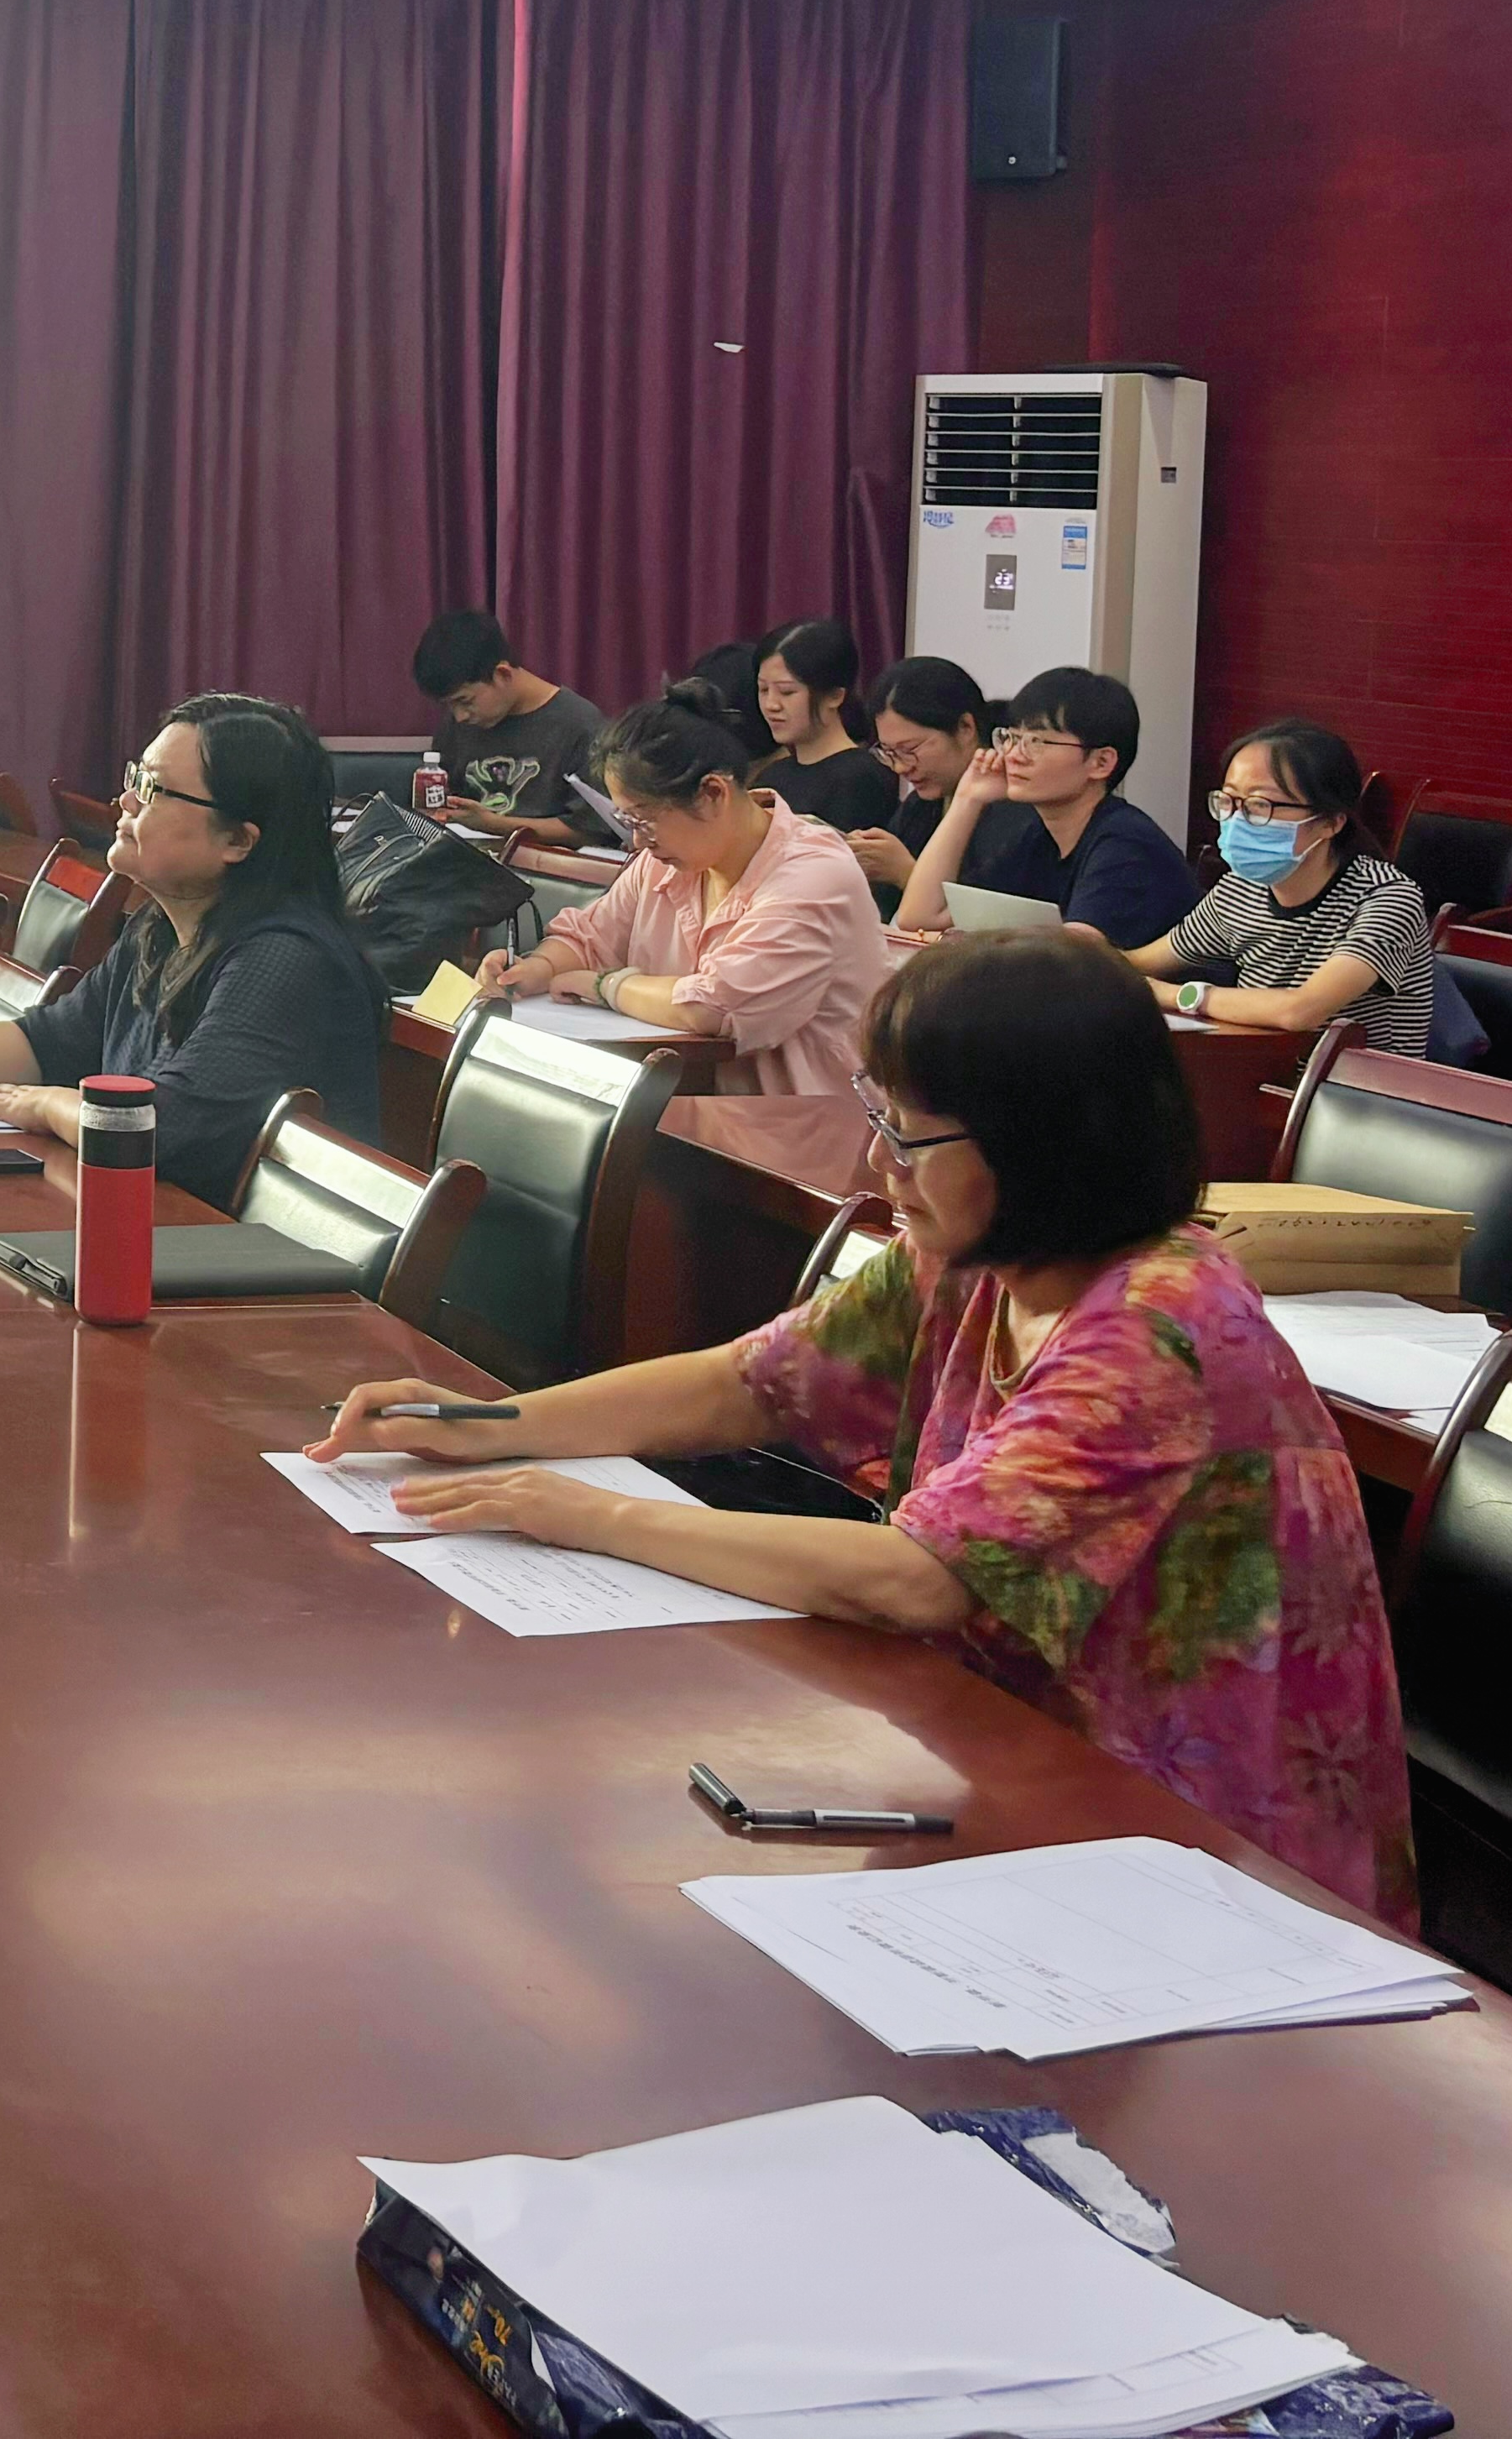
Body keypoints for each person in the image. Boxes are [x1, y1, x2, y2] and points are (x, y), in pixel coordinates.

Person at [318, 932, 1415, 1918]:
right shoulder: (974, 1251)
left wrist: (591, 1515)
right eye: (878, 1115)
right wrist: (487, 1422)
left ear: (1044, 1142)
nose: (882, 1160)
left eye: (912, 1133)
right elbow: (753, 1381)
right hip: (1008, 1754)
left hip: (1207, 1854)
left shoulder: (1158, 1327)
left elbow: (918, 1580)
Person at [0, 692, 376, 1195]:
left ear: (237, 839)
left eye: (153, 790)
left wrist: (49, 1105)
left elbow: (163, 1128)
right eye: (135, 777)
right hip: (158, 1220)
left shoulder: (286, 958)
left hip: (246, 1258)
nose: (126, 800)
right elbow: (49, 1041)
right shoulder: (159, 928)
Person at [475, 682, 894, 1097]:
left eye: (643, 821)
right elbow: (592, 937)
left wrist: (605, 987)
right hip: (690, 1104)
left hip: (806, 1121)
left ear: (713, 793)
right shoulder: (667, 861)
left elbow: (714, 1006)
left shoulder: (814, 876)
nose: (637, 842)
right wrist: (538, 968)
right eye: (627, 822)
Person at [1115, 719, 1439, 1055]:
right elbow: (1141, 962)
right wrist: (1087, 949)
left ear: (1330, 822)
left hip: (1354, 1085)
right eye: (1228, 802)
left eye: (1259, 806)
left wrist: (1177, 995)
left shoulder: (1387, 898)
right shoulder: (1241, 889)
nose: (1236, 821)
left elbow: (1301, 1010)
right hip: (1260, 1070)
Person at [887, 664, 1197, 945]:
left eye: (1036, 742)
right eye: (1011, 738)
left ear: (1101, 762)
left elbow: (1074, 957)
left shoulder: (1126, 844)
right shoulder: (1038, 838)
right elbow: (918, 917)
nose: (1013, 755)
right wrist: (968, 799)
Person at [411, 609, 605, 846]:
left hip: (547, 864)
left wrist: (495, 824)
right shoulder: (458, 726)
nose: (460, 717)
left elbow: (591, 832)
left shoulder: (580, 725)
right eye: (449, 706)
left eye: (465, 701)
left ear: (502, 674)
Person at [851, 653, 986, 899]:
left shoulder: (1013, 809)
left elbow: (992, 914)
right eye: (889, 752)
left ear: (965, 728)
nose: (900, 768)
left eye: (910, 750)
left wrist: (906, 873)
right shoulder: (918, 807)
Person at [749, 618, 897, 837]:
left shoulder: (860, 778)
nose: (771, 704)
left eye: (787, 692)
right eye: (763, 690)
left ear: (835, 696)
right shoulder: (772, 777)